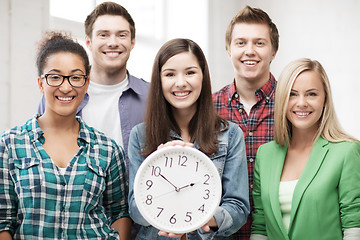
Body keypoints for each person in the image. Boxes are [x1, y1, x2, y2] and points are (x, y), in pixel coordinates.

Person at [0, 31, 131, 239]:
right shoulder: (9, 144)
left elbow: (119, 212)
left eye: (76, 77)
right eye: (55, 77)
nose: (66, 86)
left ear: (86, 83)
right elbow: (2, 221)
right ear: (41, 83)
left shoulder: (108, 149)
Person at [127, 38, 250, 239]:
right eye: (170, 74)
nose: (181, 82)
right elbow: (135, 210)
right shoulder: (140, 135)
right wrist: (156, 165)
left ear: (203, 76)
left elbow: (238, 209)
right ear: (159, 80)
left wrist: (196, 218)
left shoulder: (231, 134)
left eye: (190, 72)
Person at [251, 58, 360, 240]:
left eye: (311, 94)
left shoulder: (347, 152)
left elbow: (354, 226)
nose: (301, 103)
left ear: (325, 99)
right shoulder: (265, 154)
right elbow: (261, 226)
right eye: (292, 94)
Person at [38, 2, 149, 178]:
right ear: (89, 42)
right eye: (103, 35)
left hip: (134, 202)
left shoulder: (151, 97)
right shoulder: (60, 94)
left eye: (121, 35)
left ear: (132, 42)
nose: (113, 43)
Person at [212, 5, 279, 240]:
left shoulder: (291, 107)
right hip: (221, 234)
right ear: (228, 49)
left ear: (274, 51)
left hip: (277, 232)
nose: (249, 51)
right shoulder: (208, 109)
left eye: (259, 43)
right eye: (240, 43)